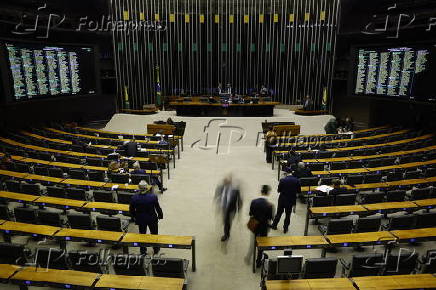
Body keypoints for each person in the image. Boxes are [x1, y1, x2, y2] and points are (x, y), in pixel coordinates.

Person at [129, 180, 163, 254]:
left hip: (141, 219)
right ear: (147, 188)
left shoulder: (134, 198)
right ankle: (156, 248)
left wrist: (135, 217)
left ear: (139, 188)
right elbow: (157, 207)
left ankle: (143, 250)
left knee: (142, 234)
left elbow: (131, 210)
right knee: (154, 234)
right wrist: (160, 215)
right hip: (152, 218)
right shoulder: (153, 197)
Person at [246, 185, 274, 268]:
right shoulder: (270, 205)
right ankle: (258, 261)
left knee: (254, 241)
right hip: (264, 227)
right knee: (262, 244)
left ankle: (250, 256)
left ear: (261, 191)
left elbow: (250, 214)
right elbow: (270, 218)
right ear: (268, 192)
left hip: (255, 226)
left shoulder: (254, 202)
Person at [271, 168, 301, 233]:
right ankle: (285, 228)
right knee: (288, 214)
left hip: (282, 199)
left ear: (286, 173)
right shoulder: (297, 180)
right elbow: (299, 191)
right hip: (291, 200)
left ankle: (274, 225)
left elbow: (279, 190)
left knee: (279, 213)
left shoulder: (282, 180)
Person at [214, 175, 243, 242]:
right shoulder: (221, 187)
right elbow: (218, 195)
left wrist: (239, 211)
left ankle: (226, 235)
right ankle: (226, 229)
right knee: (225, 221)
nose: (225, 182)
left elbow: (239, 201)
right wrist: (217, 202)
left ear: (230, 182)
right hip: (223, 207)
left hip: (231, 209)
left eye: (227, 181)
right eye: (224, 181)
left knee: (228, 222)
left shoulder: (236, 190)